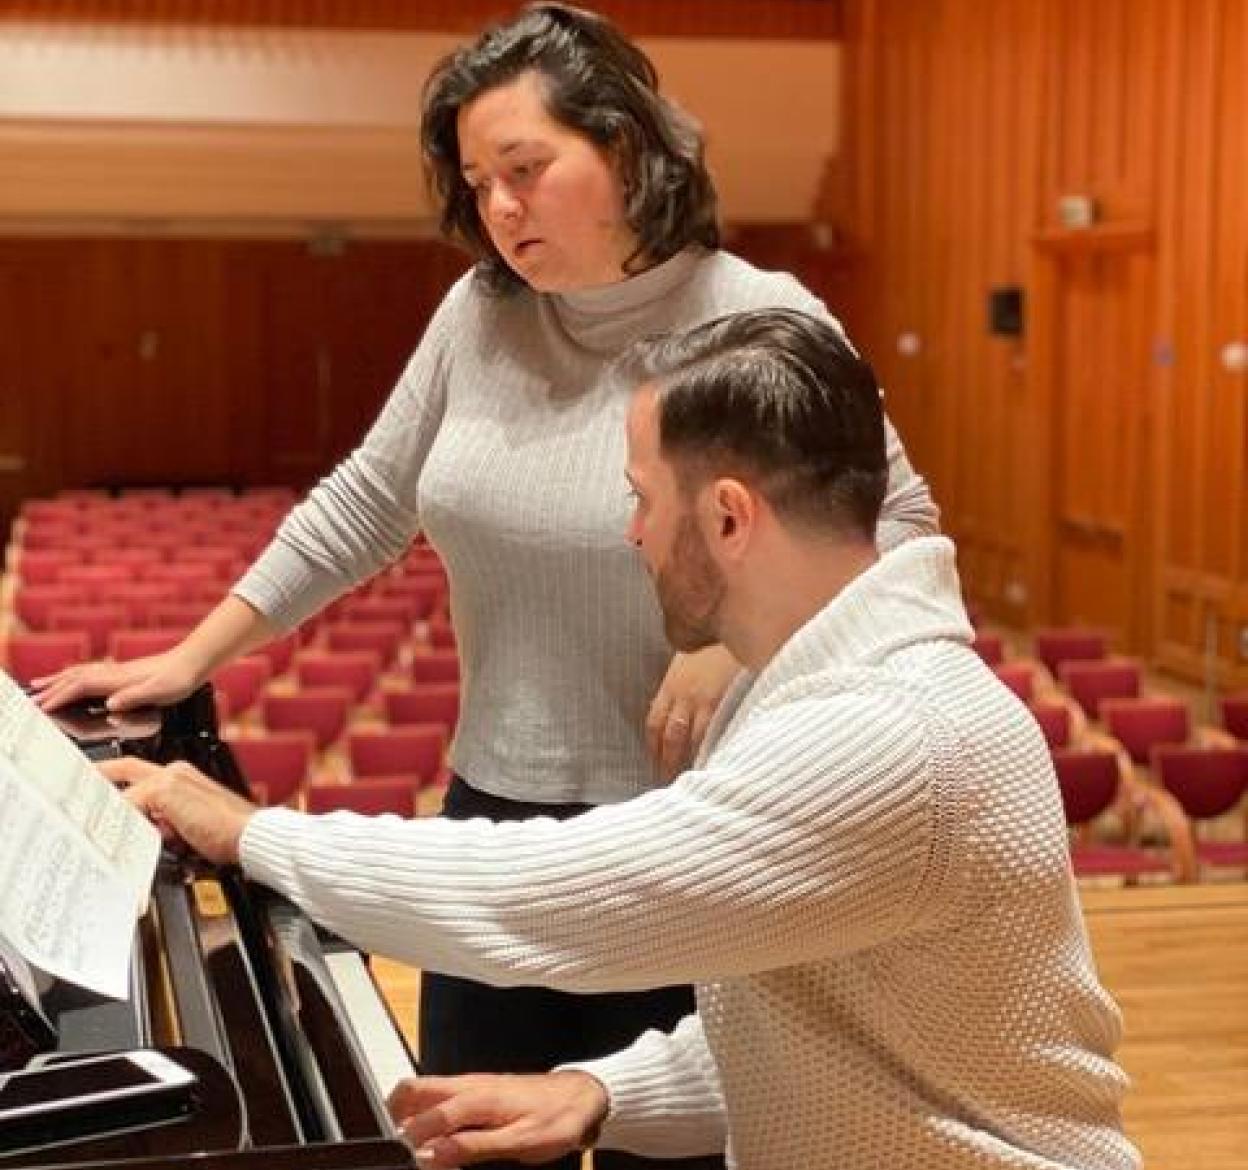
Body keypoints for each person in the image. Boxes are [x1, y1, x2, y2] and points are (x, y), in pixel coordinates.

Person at [34, 6, 935, 1167]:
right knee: (475, 1144)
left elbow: (897, 528)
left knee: (681, 1145)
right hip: (496, 813)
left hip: (691, 835)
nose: (501, 210)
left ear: (629, 149)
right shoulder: (479, 315)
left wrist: (730, 635)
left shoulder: (758, 319)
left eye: (527, 169)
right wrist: (191, 658)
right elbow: (367, 499)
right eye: (477, 182)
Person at [105, 308, 1138, 1170]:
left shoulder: (888, 735)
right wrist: (600, 1090)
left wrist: (253, 835)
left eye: (642, 498)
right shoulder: (816, 686)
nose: (631, 531)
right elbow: (826, 1034)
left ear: (730, 518)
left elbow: (563, 896)